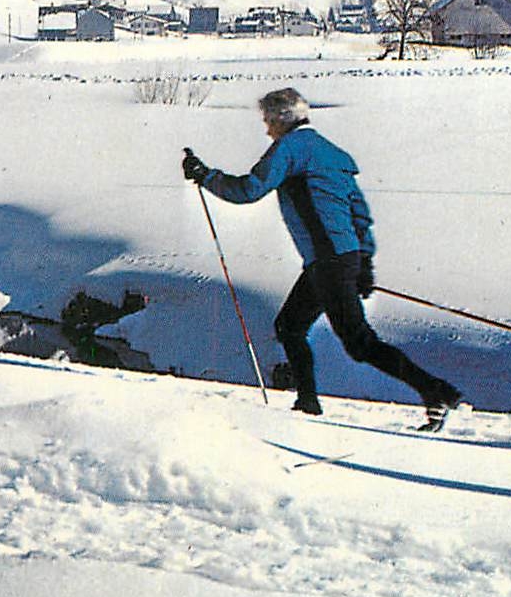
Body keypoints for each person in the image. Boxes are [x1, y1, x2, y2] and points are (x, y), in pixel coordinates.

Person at [183, 87, 463, 427]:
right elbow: (359, 213)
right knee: (290, 326)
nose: (266, 129)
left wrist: (205, 175)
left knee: (359, 343)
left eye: (268, 121)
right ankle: (307, 402)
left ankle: (435, 392)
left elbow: (249, 190)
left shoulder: (289, 149)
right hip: (337, 259)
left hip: (328, 261)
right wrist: (364, 262)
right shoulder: (330, 152)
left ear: (281, 119)